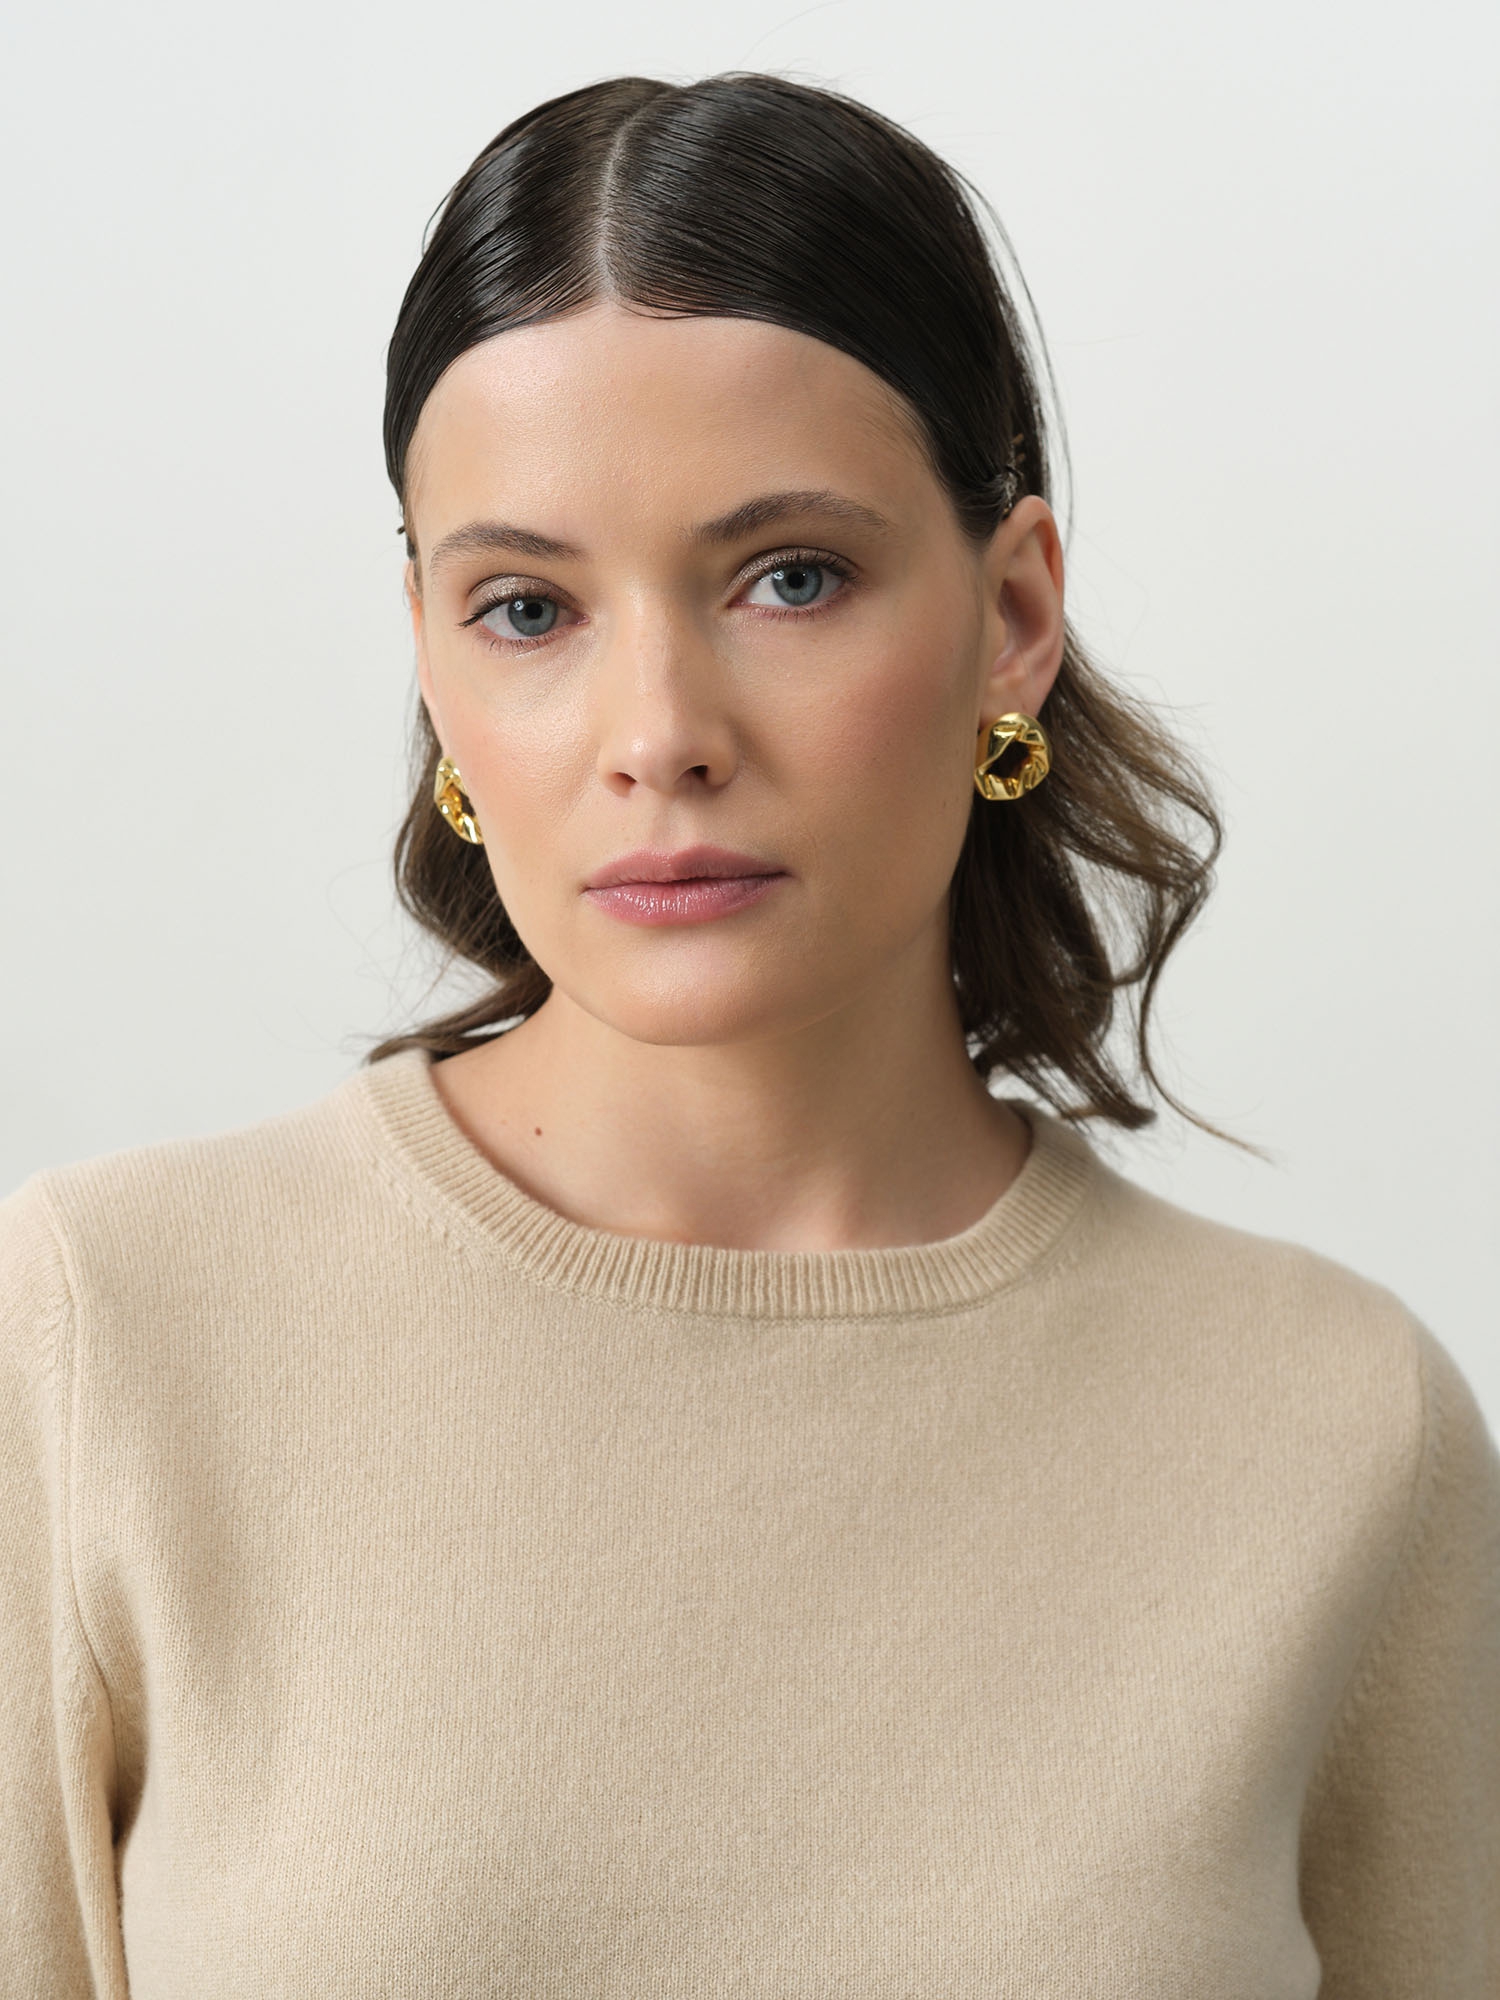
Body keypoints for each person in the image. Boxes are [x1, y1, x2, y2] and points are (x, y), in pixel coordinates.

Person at [3, 70, 1495, 1998]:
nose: (660, 733)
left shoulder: (1341, 1428)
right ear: (429, 656)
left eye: (791, 577)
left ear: (1014, 616)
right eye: (526, 607)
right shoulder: (101, 1340)